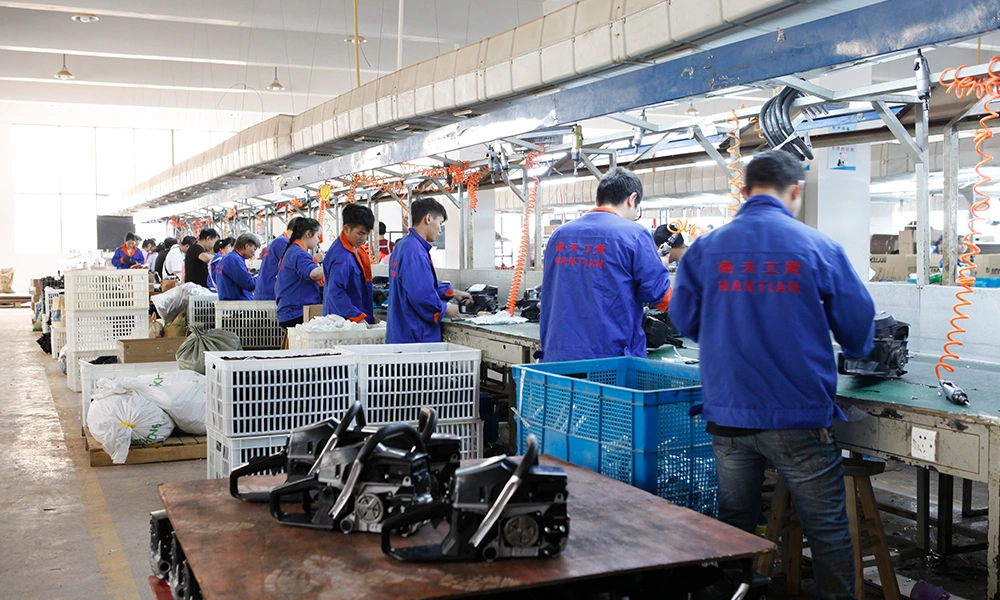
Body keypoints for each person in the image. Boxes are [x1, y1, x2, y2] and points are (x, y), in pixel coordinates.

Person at [670, 150, 876, 600]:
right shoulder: (817, 247)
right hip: (798, 416)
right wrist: (856, 351)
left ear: (744, 192)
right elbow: (859, 327)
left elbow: (683, 319)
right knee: (827, 529)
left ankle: (735, 593)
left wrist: (728, 328)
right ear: (796, 190)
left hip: (728, 415)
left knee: (734, 530)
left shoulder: (705, 249)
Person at [538, 167, 671, 363]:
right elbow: (662, 297)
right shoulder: (634, 234)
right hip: (610, 361)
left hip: (558, 358)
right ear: (632, 199)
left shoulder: (559, 235)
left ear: (597, 199)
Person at [386, 199, 472, 343]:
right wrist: (446, 308)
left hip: (401, 332)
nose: (440, 230)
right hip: (415, 337)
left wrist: (453, 292)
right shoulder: (415, 252)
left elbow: (420, 284)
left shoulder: (404, 246)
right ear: (428, 219)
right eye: (440, 223)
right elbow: (421, 296)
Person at [323, 204, 376, 324]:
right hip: (343, 322)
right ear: (346, 229)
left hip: (351, 317)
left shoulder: (354, 250)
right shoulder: (342, 257)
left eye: (366, 234)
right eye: (360, 233)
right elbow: (336, 292)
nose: (363, 238)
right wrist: (356, 316)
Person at [274, 218, 324, 329]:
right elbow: (314, 273)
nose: (318, 241)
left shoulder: (291, 251)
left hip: (287, 312)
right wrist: (333, 267)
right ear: (308, 234)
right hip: (297, 313)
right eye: (317, 236)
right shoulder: (299, 253)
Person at [255, 217, 299, 301]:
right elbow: (293, 266)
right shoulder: (283, 243)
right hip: (271, 292)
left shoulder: (277, 241)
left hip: (265, 290)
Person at [217, 234, 259, 301]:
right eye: (254, 249)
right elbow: (249, 284)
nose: (254, 253)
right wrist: (261, 277)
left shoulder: (228, 258)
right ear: (246, 246)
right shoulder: (234, 260)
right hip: (237, 304)